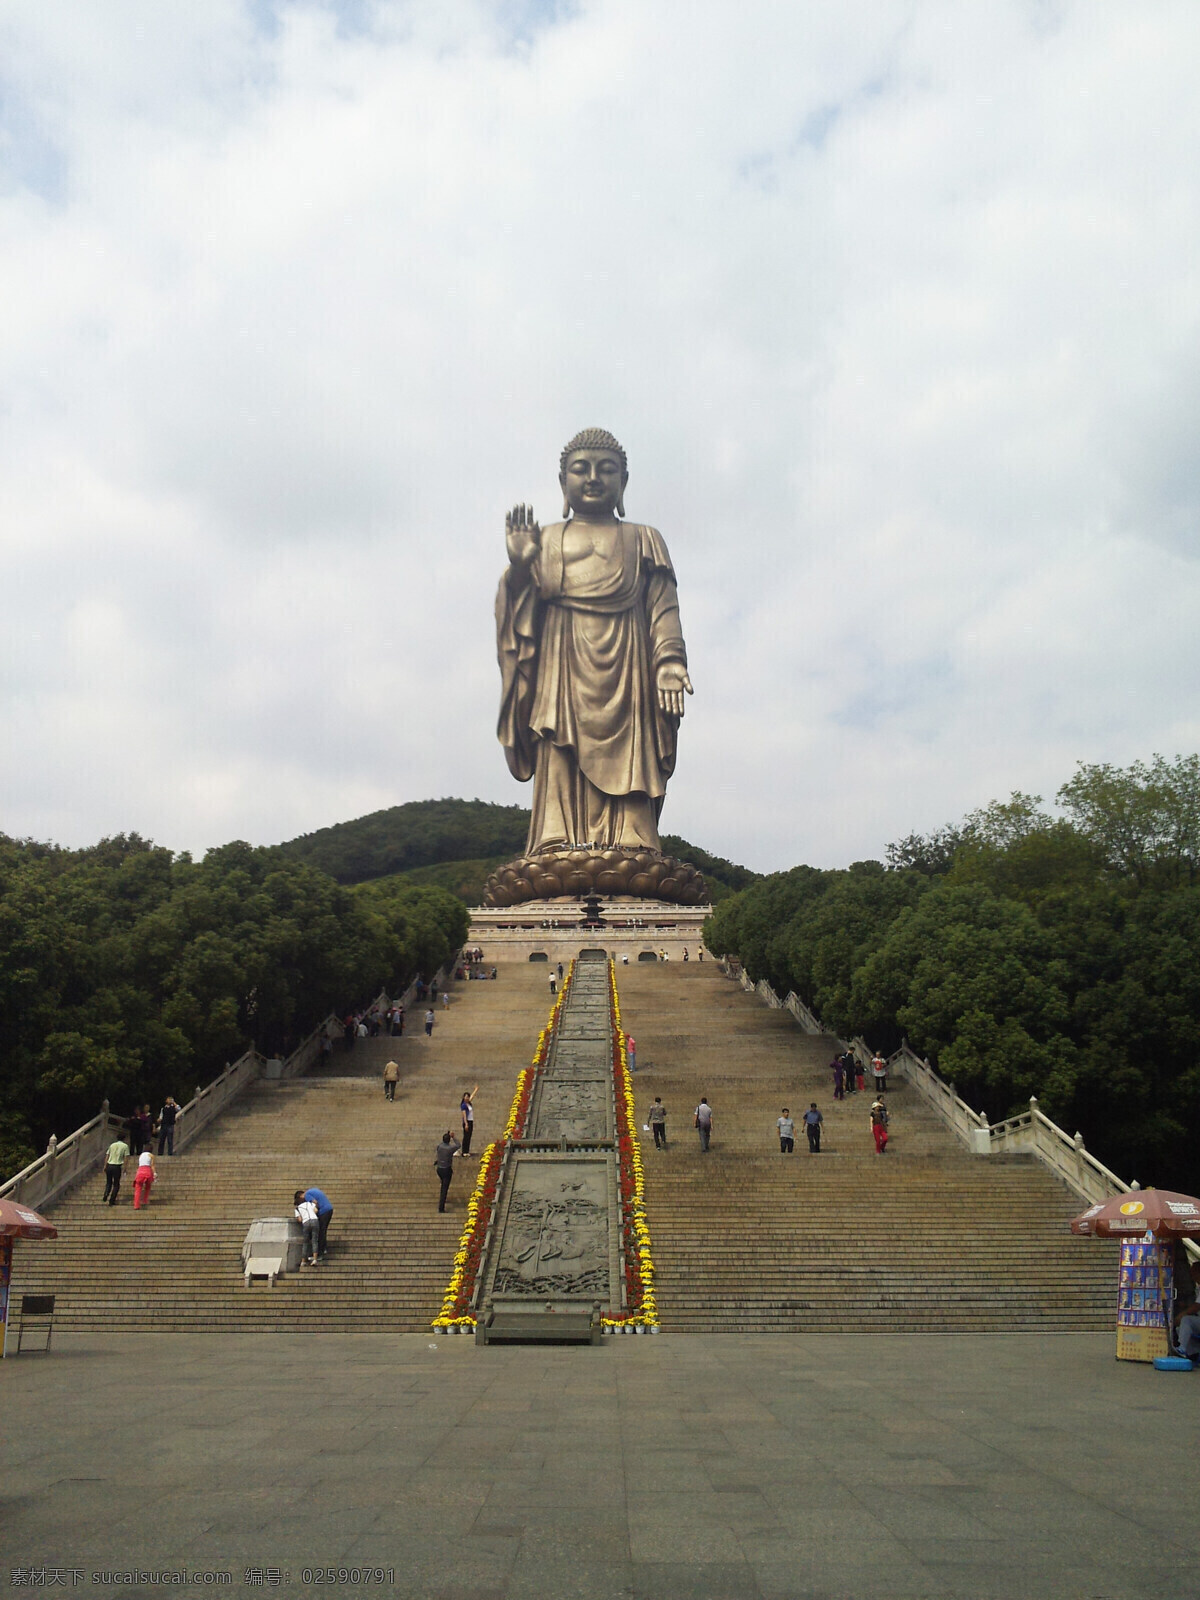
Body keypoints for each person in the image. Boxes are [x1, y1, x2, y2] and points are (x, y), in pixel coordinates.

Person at [496, 429, 694, 860]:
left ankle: (633, 841)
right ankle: (555, 839)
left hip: (629, 666)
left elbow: (662, 607)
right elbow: (516, 618)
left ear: (624, 481)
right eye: (580, 469)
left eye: (606, 469)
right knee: (558, 745)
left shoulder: (644, 538)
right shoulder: (544, 539)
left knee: (632, 753)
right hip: (561, 662)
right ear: (562, 481)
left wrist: (670, 662)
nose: (592, 478)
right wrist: (518, 570)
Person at [303, 1186, 334, 1256]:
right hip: (329, 1209)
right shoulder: (314, 1190)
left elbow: (315, 1203)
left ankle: (320, 1251)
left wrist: (312, 1214)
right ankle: (324, 1248)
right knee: (323, 1230)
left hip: (323, 1211)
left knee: (320, 1231)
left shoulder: (307, 1195)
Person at [435, 1131, 462, 1212]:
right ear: (449, 1140)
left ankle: (443, 1198)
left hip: (439, 1168)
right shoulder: (450, 1148)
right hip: (446, 1169)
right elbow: (458, 1145)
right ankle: (441, 1207)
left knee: (443, 1184)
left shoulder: (439, 1146)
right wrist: (453, 1137)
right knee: (444, 1187)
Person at [294, 1190, 320, 1266]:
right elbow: (315, 1210)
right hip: (314, 1220)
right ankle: (315, 1259)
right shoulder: (310, 1204)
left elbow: (299, 1219)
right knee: (315, 1240)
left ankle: (303, 1261)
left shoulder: (297, 1208)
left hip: (306, 1222)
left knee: (305, 1242)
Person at [102, 1134, 130, 1205]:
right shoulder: (125, 1146)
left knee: (109, 1182)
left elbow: (107, 1155)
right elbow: (126, 1157)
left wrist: (105, 1165)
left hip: (109, 1165)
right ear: (124, 1138)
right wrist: (125, 1168)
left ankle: (106, 1193)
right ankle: (112, 1200)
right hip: (117, 1166)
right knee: (116, 1184)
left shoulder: (112, 1145)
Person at [460, 1086, 479, 1155]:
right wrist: (466, 1124)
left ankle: (467, 1151)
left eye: (468, 1097)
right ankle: (464, 1151)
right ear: (463, 1098)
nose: (467, 1098)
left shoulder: (469, 1104)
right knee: (466, 1136)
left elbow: (472, 1097)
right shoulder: (463, 1105)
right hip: (467, 1121)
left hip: (471, 1121)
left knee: (469, 1136)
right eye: (466, 1097)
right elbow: (464, 1115)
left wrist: (476, 1090)